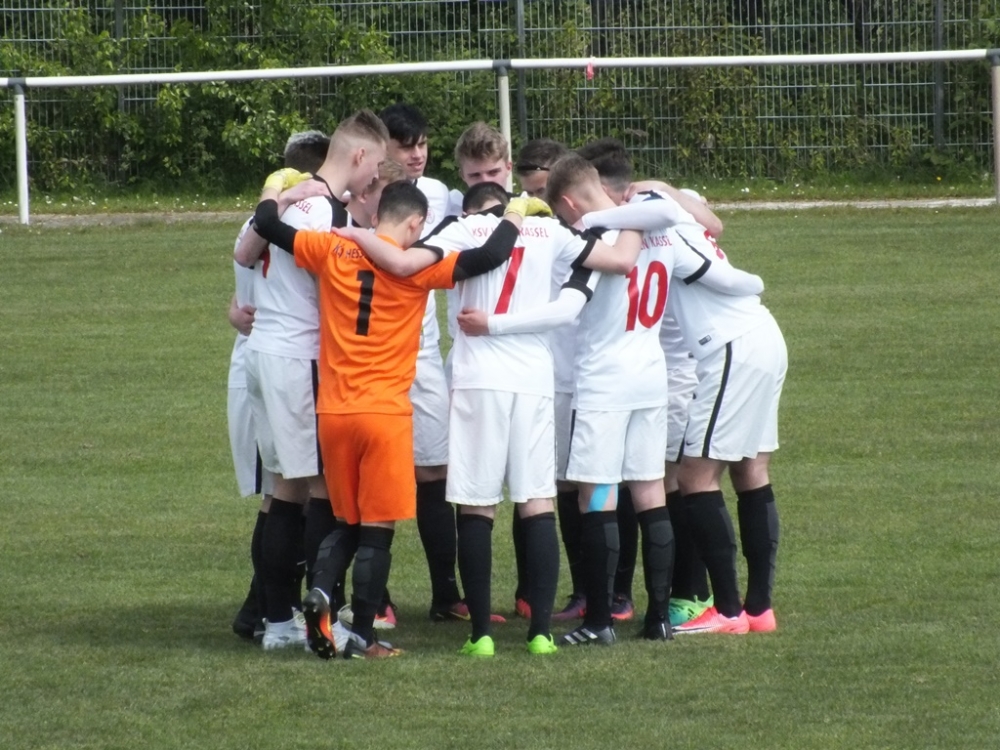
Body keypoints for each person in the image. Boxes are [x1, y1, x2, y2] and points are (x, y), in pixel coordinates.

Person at [252, 176, 537, 659]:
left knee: (344, 520)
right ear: (415, 223)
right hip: (384, 414)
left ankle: (320, 592)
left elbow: (267, 225)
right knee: (377, 531)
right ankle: (363, 637)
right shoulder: (418, 268)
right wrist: (515, 214)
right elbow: (491, 256)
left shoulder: (331, 248)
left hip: (334, 412)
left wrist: (275, 188)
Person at [426, 180, 644, 656]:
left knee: (477, 505)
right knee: (537, 502)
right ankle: (541, 633)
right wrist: (633, 212)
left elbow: (414, 256)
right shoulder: (550, 231)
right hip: (533, 378)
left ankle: (481, 635)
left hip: (479, 376)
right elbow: (617, 260)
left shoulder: (464, 228)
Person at [228, 129, 332, 650]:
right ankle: (278, 613)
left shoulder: (258, 217)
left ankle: (265, 611)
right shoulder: (318, 214)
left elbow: (243, 275)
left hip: (256, 359)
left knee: (280, 493)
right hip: (291, 357)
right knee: (300, 493)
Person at [379, 103, 471, 622]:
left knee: (435, 470)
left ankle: (446, 594)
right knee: (378, 475)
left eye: (422, 144)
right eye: (405, 145)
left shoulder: (441, 195)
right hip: (373, 361)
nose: (416, 155)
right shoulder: (363, 202)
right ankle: (376, 597)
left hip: (423, 355)